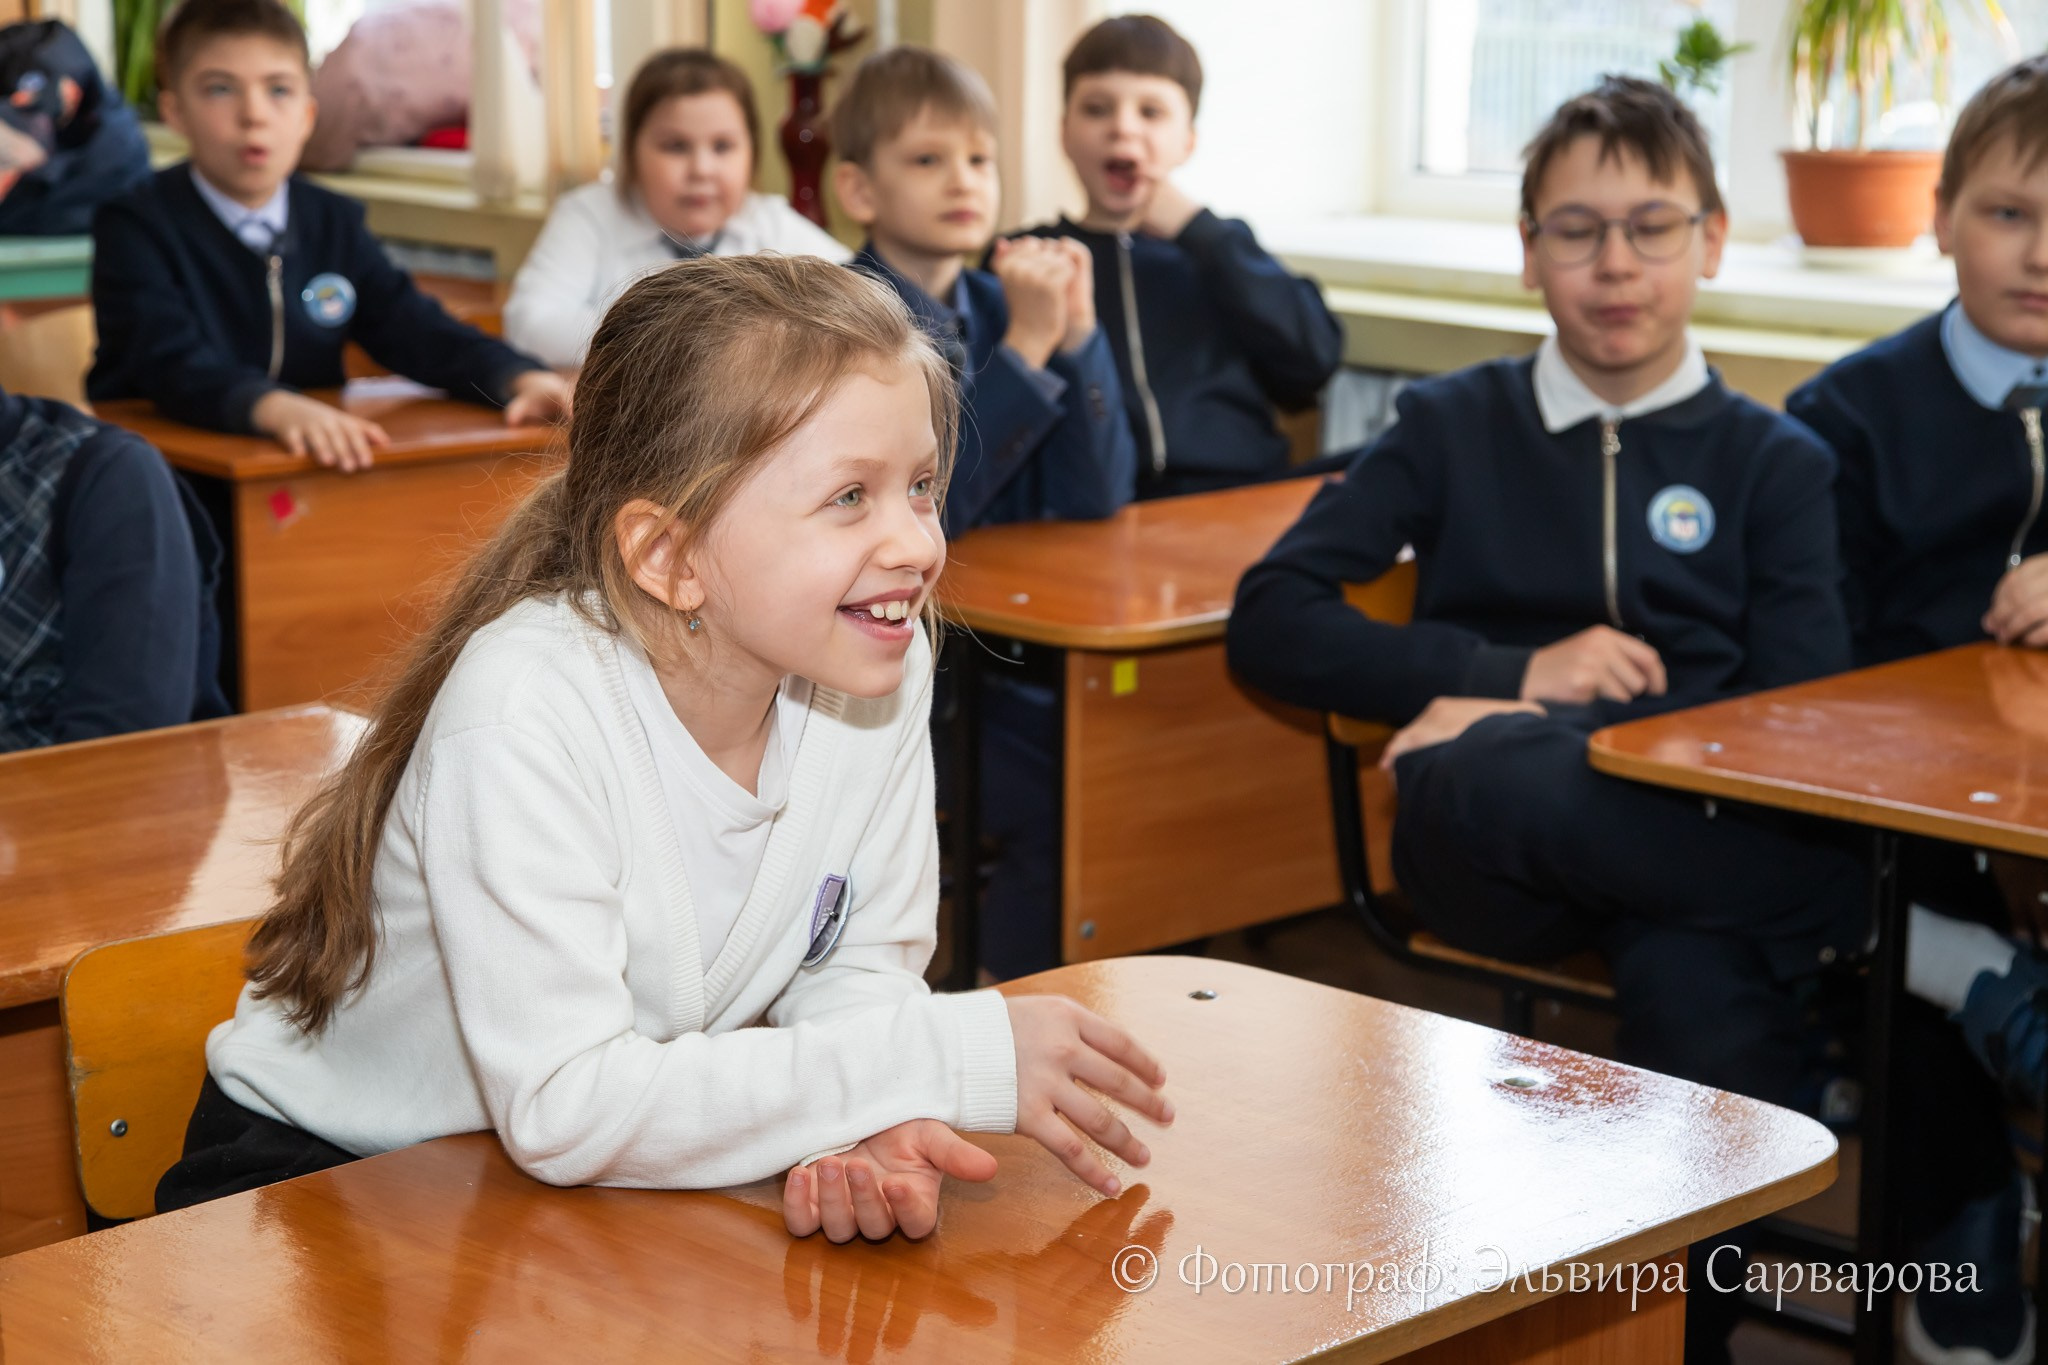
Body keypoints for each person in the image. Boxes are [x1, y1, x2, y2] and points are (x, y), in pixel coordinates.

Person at [156, 255, 1174, 1247]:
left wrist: (860, 1127)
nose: (916, 544)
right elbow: (569, 1103)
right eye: (849, 498)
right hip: (320, 1191)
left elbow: (853, 968)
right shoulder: (526, 708)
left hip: (568, 1187)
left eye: (920, 485)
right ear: (668, 557)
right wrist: (941, 1057)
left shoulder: (881, 665)